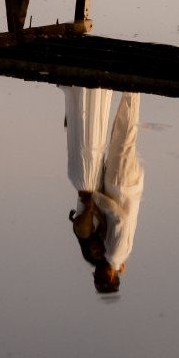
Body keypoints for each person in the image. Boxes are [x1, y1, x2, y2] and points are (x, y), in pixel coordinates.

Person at [63, 86, 144, 295]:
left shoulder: (112, 256)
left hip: (119, 186)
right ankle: (132, 86)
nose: (96, 275)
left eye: (95, 279)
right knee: (125, 132)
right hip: (122, 186)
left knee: (121, 131)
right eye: (100, 279)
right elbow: (119, 218)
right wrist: (95, 198)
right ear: (111, 277)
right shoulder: (115, 254)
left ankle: (130, 89)